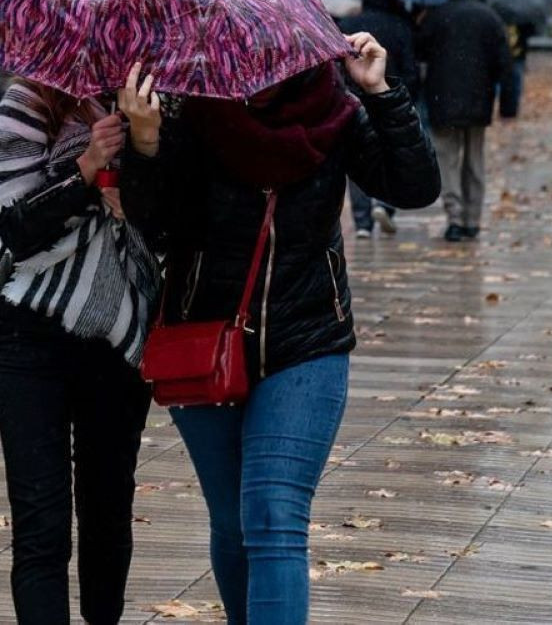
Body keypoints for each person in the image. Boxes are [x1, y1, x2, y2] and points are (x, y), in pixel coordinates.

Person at [119, 36, 439, 625]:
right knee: (233, 521)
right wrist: (144, 141)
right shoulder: (190, 105)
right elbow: (155, 225)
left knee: (272, 515)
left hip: (307, 338)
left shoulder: (332, 109)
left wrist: (381, 92)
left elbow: (415, 188)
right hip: (203, 340)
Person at [0, 82, 160, 624]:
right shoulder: (32, 101)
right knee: (40, 524)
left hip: (119, 344)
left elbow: (185, 224)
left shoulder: (162, 106)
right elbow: (9, 226)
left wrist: (143, 158)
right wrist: (86, 167)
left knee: (107, 515)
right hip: (31, 335)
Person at [415, 0, 514, 241]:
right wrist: (508, 106)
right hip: (478, 101)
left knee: (447, 160)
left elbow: (419, 51)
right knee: (474, 161)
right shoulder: (489, 18)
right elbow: (505, 64)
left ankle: (454, 218)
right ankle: (472, 219)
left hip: (442, 100)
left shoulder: (437, 17)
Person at [338, 0, 417, 238]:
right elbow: (410, 69)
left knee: (358, 156)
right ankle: (385, 203)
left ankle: (361, 221)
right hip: (387, 97)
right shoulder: (400, 26)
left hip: (352, 99)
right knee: (390, 151)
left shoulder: (349, 26)